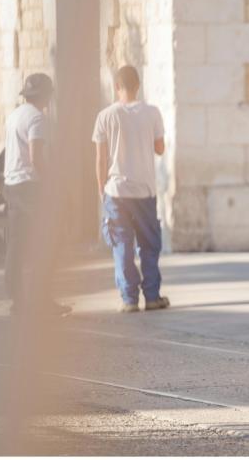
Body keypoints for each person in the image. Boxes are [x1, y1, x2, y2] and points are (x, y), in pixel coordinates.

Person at [93, 65, 169, 313]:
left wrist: (101, 190)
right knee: (149, 244)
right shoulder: (152, 113)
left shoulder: (105, 116)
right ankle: (152, 297)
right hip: (144, 190)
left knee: (121, 245)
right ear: (138, 85)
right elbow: (160, 149)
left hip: (115, 191)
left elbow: (100, 159)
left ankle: (129, 299)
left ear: (117, 86)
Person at [3, 74, 70, 316]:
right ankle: (41, 299)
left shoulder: (14, 115)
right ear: (46, 96)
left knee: (16, 243)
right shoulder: (37, 118)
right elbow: (35, 156)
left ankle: (17, 300)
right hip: (31, 187)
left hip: (12, 185)